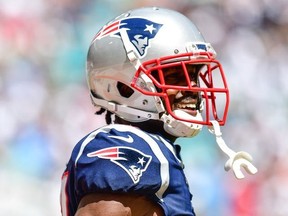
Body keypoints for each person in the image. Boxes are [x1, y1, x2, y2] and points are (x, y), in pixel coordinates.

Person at [60, 7, 257, 216]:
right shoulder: (126, 144)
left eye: (193, 75)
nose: (191, 88)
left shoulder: (155, 148)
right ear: (123, 86)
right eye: (173, 76)